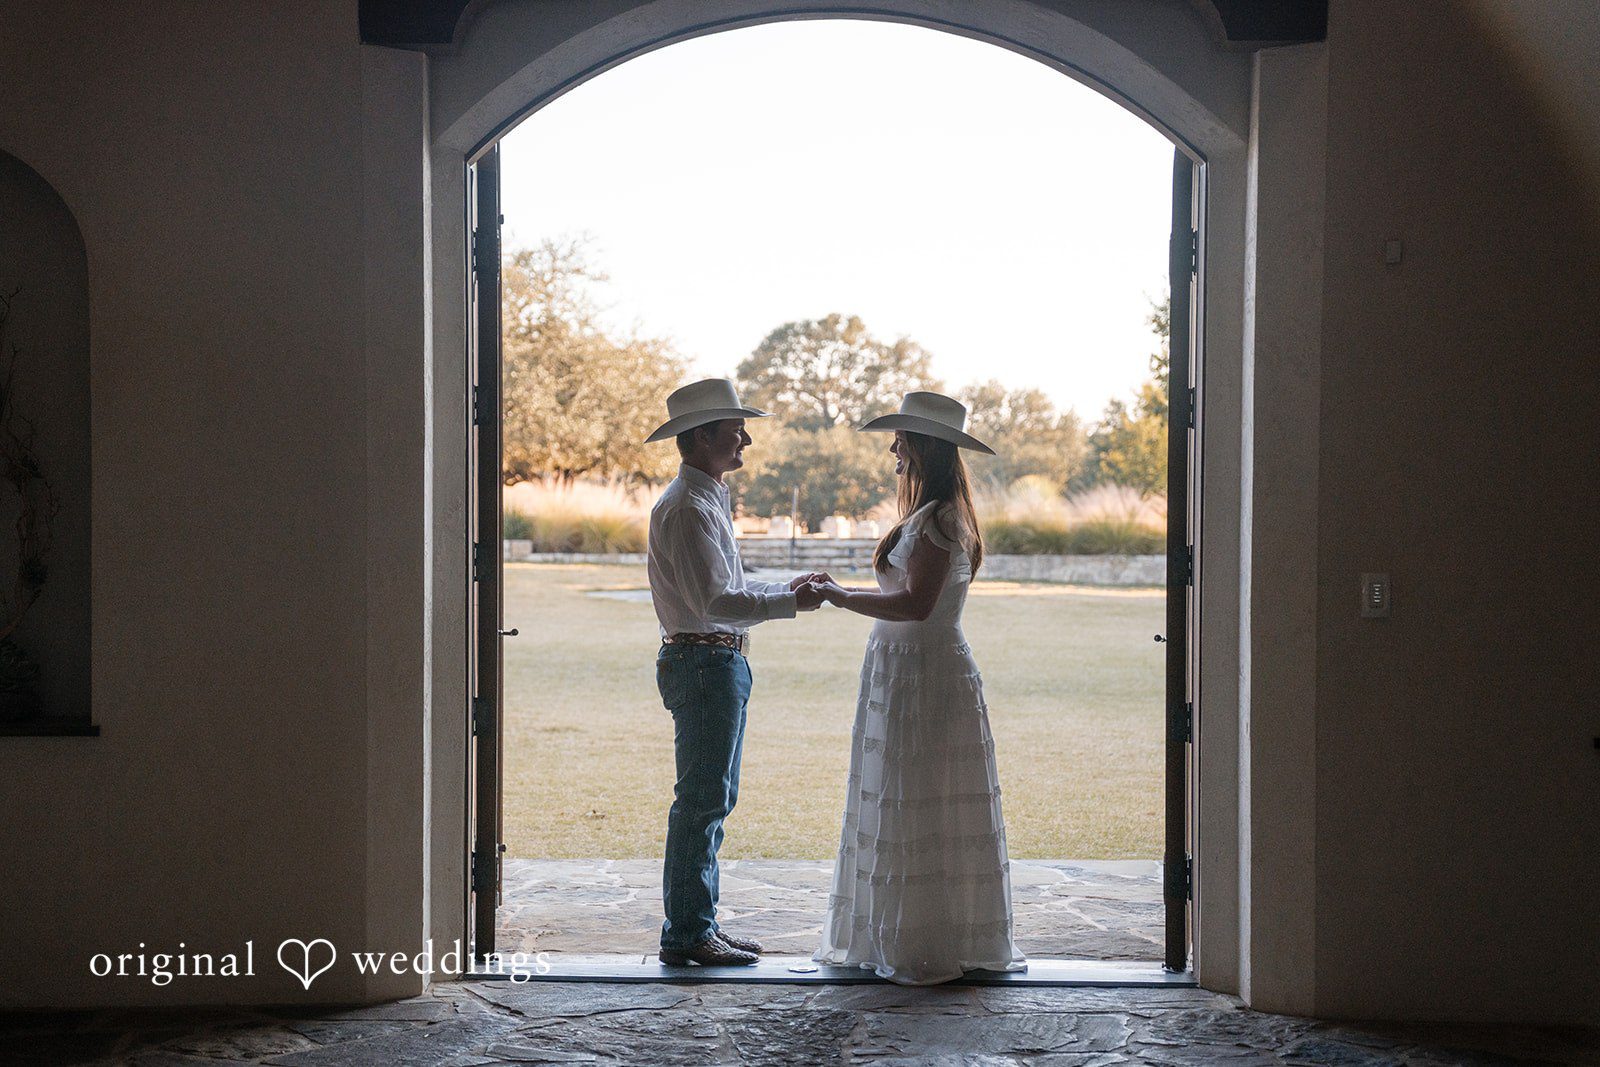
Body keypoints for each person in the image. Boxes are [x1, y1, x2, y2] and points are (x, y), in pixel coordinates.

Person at [810, 390, 1027, 984]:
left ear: (925, 446)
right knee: (899, 796)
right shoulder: (926, 514)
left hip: (924, 673)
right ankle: (899, 933)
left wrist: (839, 595)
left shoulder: (941, 518)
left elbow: (915, 603)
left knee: (920, 798)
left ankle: (926, 941)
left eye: (902, 438)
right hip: (902, 669)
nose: (893, 448)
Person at [643, 378, 827, 967]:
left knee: (713, 798)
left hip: (718, 659)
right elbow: (715, 601)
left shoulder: (708, 498)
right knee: (701, 801)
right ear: (700, 438)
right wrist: (791, 603)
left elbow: (728, 591)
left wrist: (785, 591)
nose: (745, 437)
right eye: (733, 429)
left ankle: (700, 924)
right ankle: (687, 934)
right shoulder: (686, 507)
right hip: (704, 661)